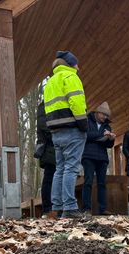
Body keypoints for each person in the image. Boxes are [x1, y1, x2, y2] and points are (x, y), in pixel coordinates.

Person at [43, 50, 88, 219]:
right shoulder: (70, 77)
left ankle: (57, 206)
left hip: (56, 131)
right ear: (70, 64)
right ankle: (70, 207)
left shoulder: (50, 83)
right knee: (71, 168)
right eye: (76, 63)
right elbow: (76, 102)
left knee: (60, 169)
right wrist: (84, 124)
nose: (79, 67)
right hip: (72, 128)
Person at [81, 102, 116, 215]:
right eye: (103, 115)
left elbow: (109, 145)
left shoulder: (107, 126)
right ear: (97, 112)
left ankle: (102, 209)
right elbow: (86, 136)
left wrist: (111, 139)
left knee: (102, 184)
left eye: (106, 116)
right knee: (88, 182)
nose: (105, 117)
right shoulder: (87, 121)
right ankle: (86, 209)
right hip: (88, 156)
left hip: (102, 158)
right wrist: (102, 136)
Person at [35, 101, 56, 217]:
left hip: (53, 148)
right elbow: (44, 126)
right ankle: (47, 208)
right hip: (49, 148)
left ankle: (52, 207)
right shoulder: (44, 106)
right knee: (49, 178)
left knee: (52, 178)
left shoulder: (47, 105)